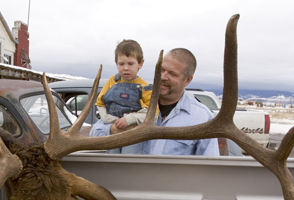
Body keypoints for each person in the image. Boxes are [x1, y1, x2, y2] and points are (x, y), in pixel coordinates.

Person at [90, 48, 220, 156]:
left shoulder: (202, 117)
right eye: (161, 70)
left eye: (172, 74)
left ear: (187, 80)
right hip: (126, 183)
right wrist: (115, 130)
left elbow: (208, 169)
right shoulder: (133, 100)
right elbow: (94, 135)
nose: (163, 77)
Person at [94, 40, 155, 153]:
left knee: (129, 159)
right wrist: (107, 118)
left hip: (133, 136)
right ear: (116, 63)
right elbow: (100, 102)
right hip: (112, 127)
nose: (125, 68)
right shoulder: (112, 81)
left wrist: (130, 119)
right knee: (111, 158)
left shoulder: (145, 87)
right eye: (121, 64)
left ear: (140, 63)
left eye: (130, 63)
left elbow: (153, 114)